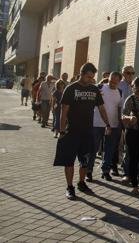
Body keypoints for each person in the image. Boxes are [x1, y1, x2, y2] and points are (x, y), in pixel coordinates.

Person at [54, 63, 112, 200]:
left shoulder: (94, 89)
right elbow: (64, 111)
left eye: (92, 77)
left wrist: (108, 124)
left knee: (85, 161)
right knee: (69, 161)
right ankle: (69, 187)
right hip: (71, 131)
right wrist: (62, 131)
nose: (91, 80)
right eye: (88, 77)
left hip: (87, 132)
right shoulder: (71, 89)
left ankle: (81, 182)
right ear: (81, 74)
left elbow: (102, 109)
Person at [87, 72, 123, 181]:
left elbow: (120, 108)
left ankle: (105, 170)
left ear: (119, 82)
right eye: (111, 80)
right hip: (97, 123)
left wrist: (121, 124)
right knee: (93, 148)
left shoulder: (120, 92)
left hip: (114, 124)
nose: (112, 83)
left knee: (109, 149)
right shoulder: (100, 87)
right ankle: (89, 171)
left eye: (115, 82)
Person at [119, 65, 137, 180]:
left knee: (127, 145)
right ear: (123, 74)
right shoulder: (119, 85)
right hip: (121, 117)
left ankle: (127, 168)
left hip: (132, 120)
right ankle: (119, 166)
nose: (130, 75)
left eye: (132, 73)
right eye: (128, 73)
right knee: (120, 143)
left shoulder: (135, 85)